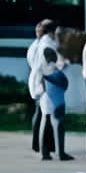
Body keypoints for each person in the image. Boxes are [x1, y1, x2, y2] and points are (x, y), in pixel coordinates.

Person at [31, 46, 73, 161]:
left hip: (44, 99)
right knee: (58, 125)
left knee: (44, 124)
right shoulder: (54, 70)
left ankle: (44, 153)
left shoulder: (40, 68)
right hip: (56, 100)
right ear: (53, 57)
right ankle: (61, 153)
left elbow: (39, 84)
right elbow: (64, 84)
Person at [27, 19, 58, 156]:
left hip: (37, 81)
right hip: (45, 83)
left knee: (39, 113)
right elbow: (50, 65)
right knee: (45, 116)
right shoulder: (47, 45)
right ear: (52, 32)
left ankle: (38, 145)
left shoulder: (35, 45)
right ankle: (44, 148)